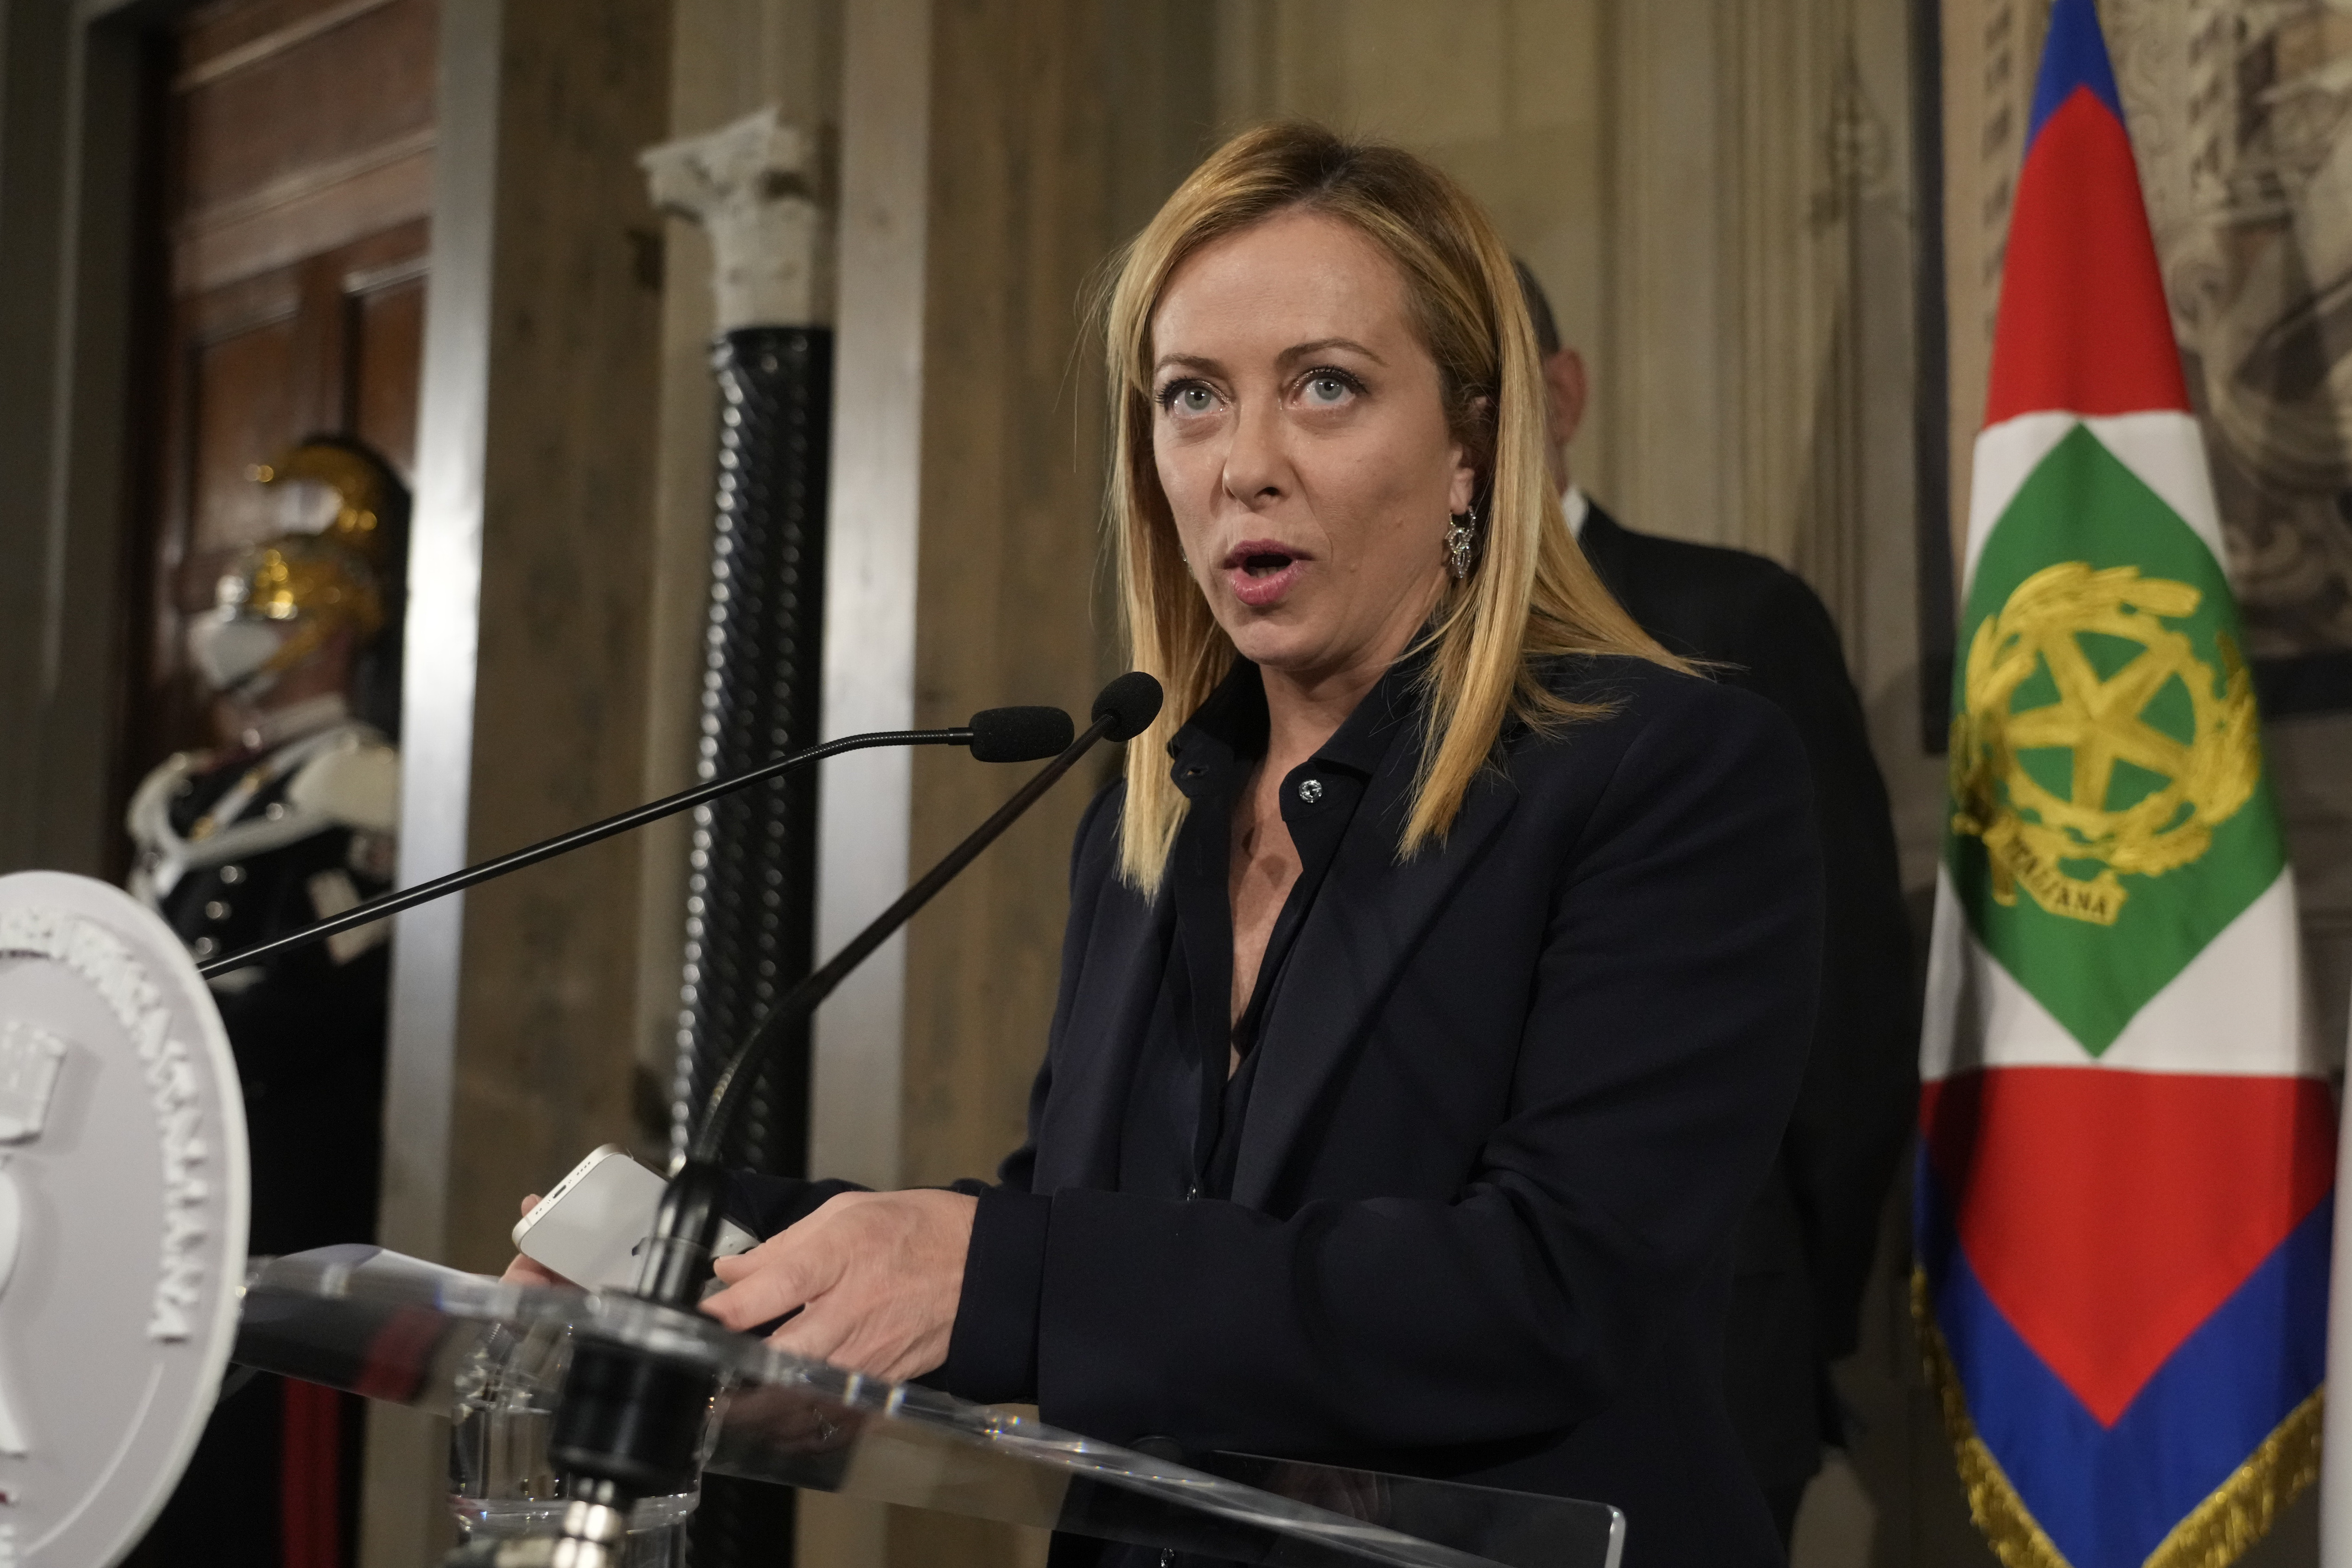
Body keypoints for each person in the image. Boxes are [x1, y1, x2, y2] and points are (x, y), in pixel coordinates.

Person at [515, 123, 1823, 1567]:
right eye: (1192, 396)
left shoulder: (1665, 771)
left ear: (1473, 444)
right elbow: (1099, 1229)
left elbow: (1548, 1287)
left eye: (1325, 386)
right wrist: (725, 1246)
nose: (1244, 464)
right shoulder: (1149, 808)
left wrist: (997, 1274)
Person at [1514, 261, 1919, 1543]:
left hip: (1708, 1352)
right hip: (1416, 1402)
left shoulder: (1731, 621)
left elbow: (1846, 1014)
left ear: (1561, 394)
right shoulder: (1340, 662)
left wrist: (1803, 1300)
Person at [126, 438, 405, 1568]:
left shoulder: (359, 785)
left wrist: (170, 1041)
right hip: (164, 1170)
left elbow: (327, 999)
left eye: (264, 608)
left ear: (329, 635)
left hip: (275, 1180)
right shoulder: (199, 789)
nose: (230, 628)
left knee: (253, 1484)